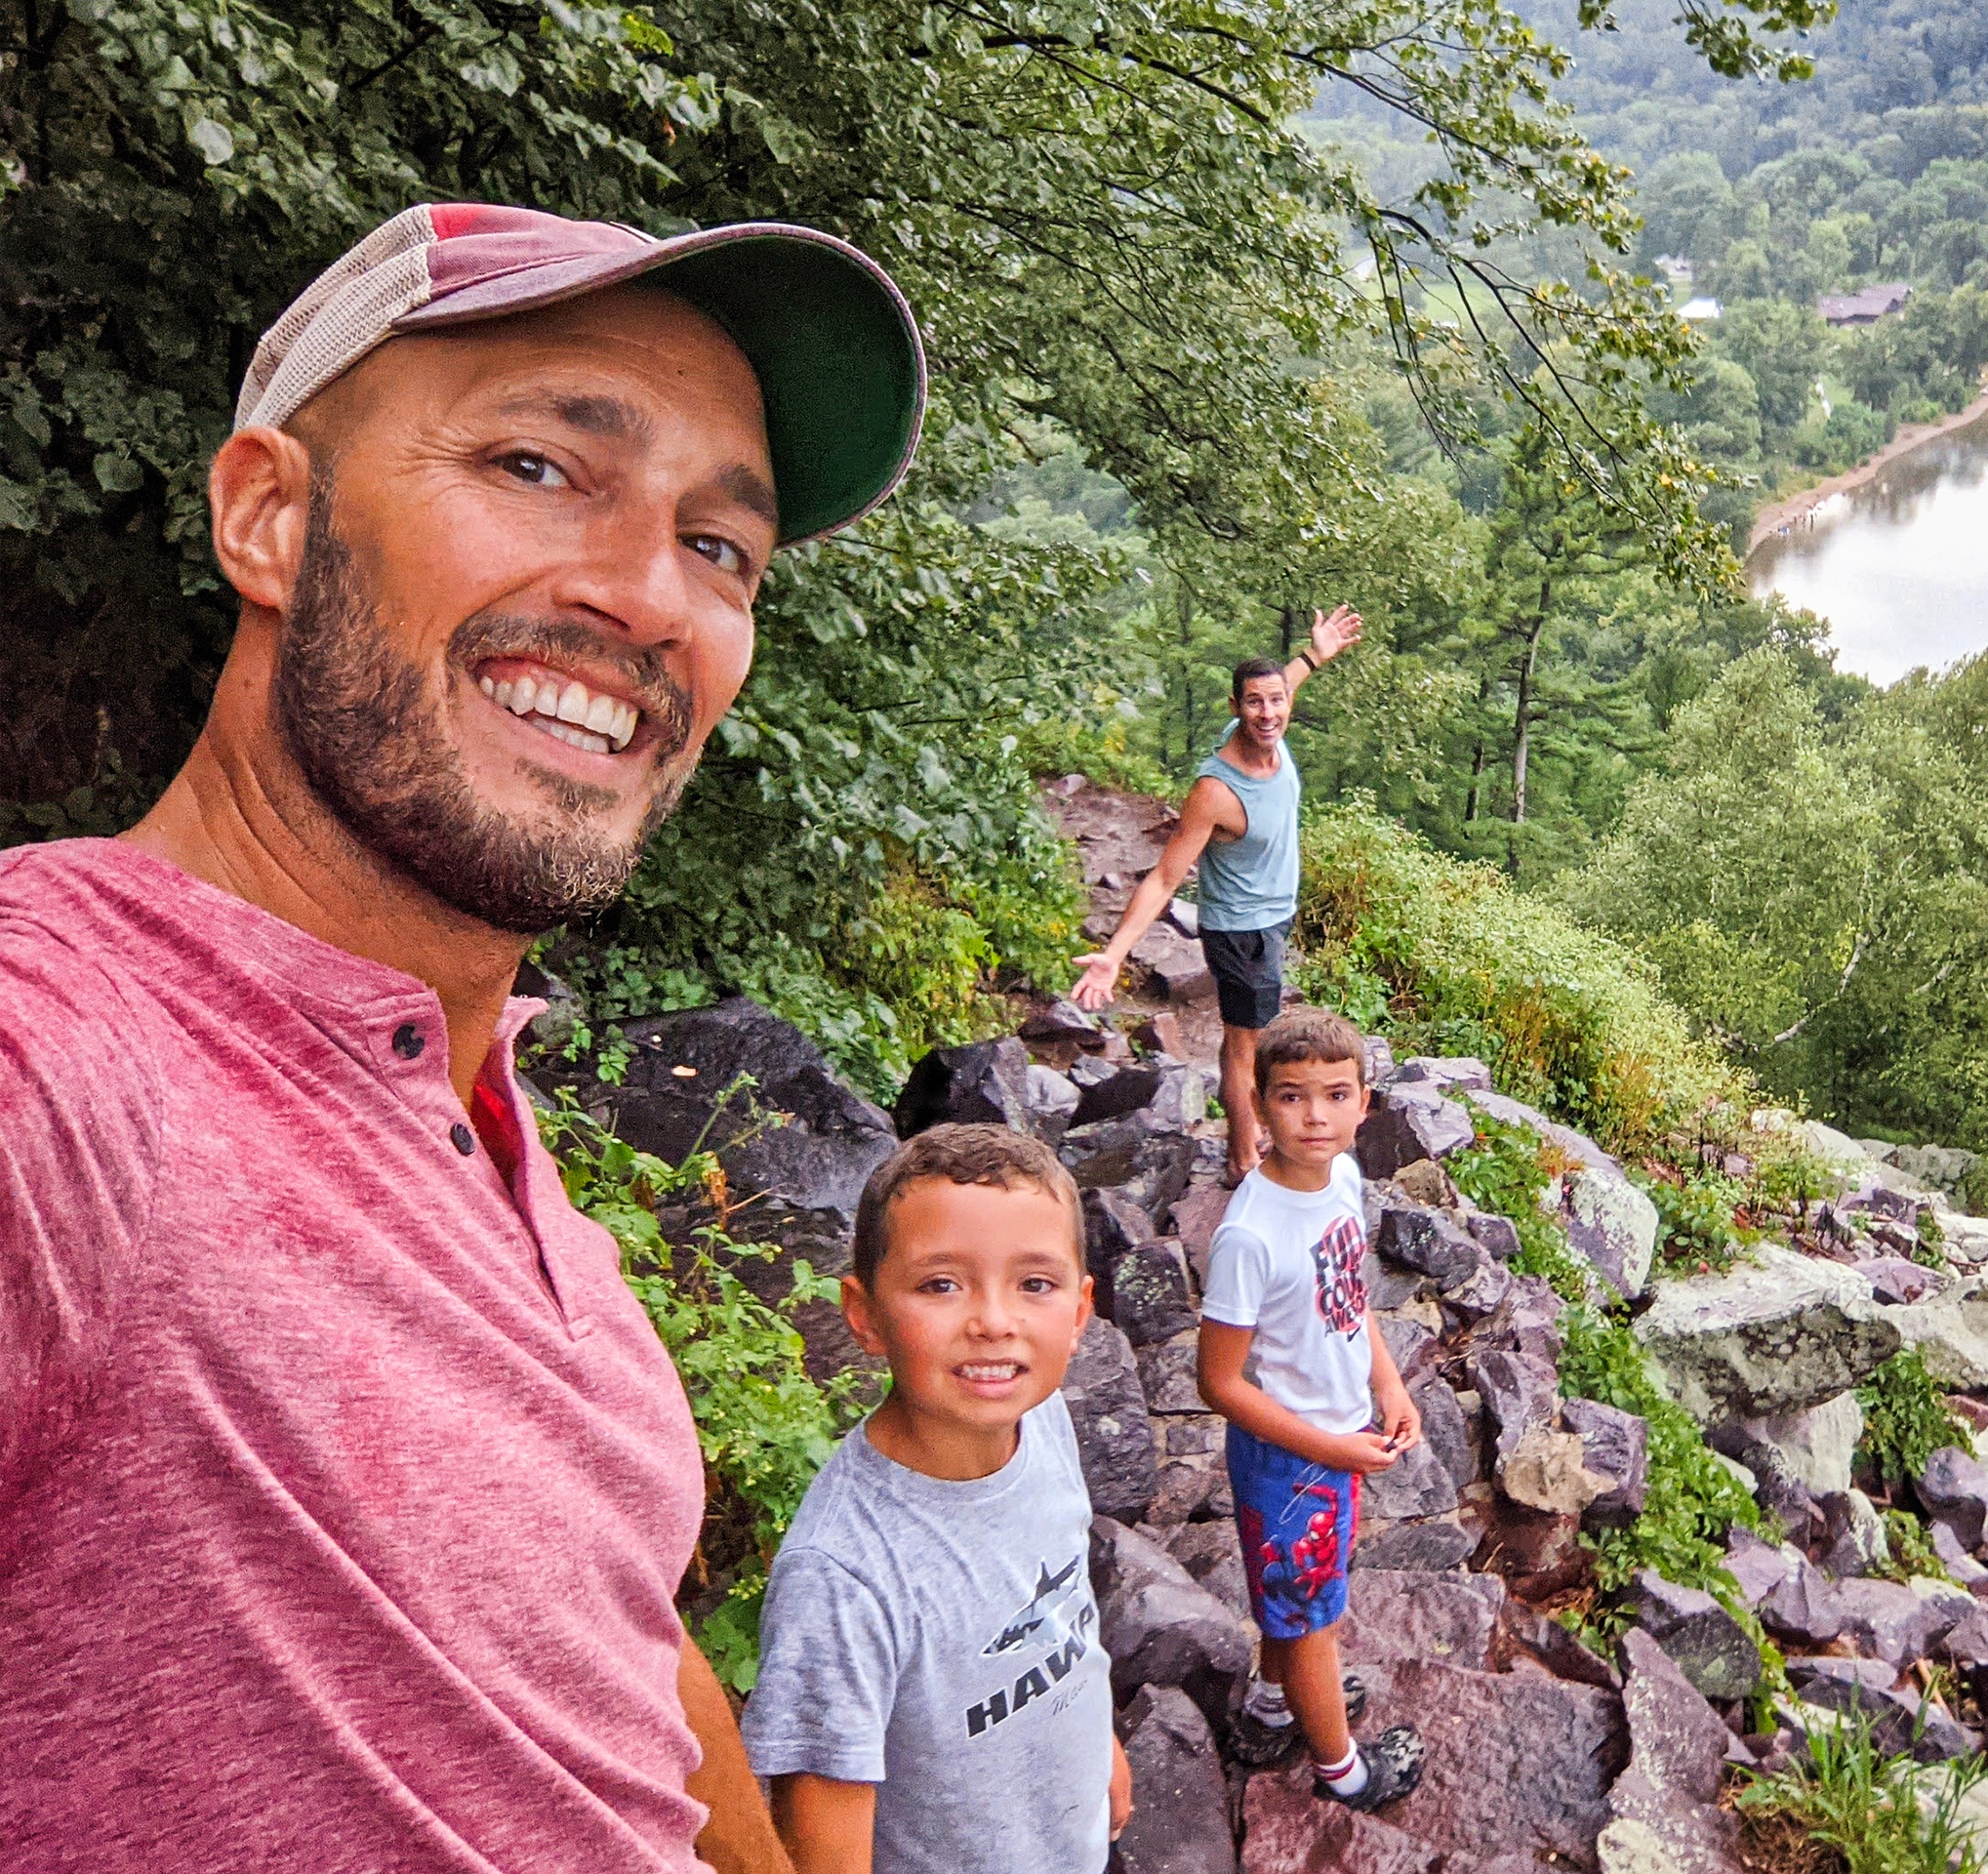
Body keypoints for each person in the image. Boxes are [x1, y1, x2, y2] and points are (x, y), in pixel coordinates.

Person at [0, 203, 925, 1873]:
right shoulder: (69, 1053)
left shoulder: (474, 1116)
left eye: (721, 547)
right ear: (271, 516)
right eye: (538, 466)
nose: (650, 597)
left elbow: (607, 1627)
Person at [743, 1124, 1133, 1874]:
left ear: (1081, 1313)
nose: (994, 1322)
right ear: (864, 1314)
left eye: (1035, 1284)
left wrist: (1100, 1747)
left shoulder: (1042, 1419)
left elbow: (1062, 1613)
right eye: (941, 1285)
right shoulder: (843, 1578)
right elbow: (825, 1848)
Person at [1195, 1007, 1427, 1809]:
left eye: (1336, 1095)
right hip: (1290, 1458)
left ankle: (1271, 1708)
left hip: (1337, 1431)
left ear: (1365, 1103)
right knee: (1312, 1624)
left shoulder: (1343, 1180)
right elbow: (1219, 1383)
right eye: (1292, 1096)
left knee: (1295, 1602)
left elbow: (1349, 1296)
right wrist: (1331, 1450)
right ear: (1258, 1103)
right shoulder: (1249, 1236)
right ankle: (1345, 1772)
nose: (1316, 1116)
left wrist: (1387, 1385)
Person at [1068, 605, 1363, 1181]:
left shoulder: (1268, 726)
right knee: (1247, 1046)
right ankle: (1241, 1155)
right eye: (1254, 703)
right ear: (1235, 708)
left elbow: (1284, 683)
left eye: (1276, 701)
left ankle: (1244, 1137)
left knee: (1244, 1035)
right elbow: (1164, 878)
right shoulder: (1215, 791)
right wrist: (1114, 953)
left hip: (1272, 917)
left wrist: (1314, 655)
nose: (1267, 713)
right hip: (1241, 932)